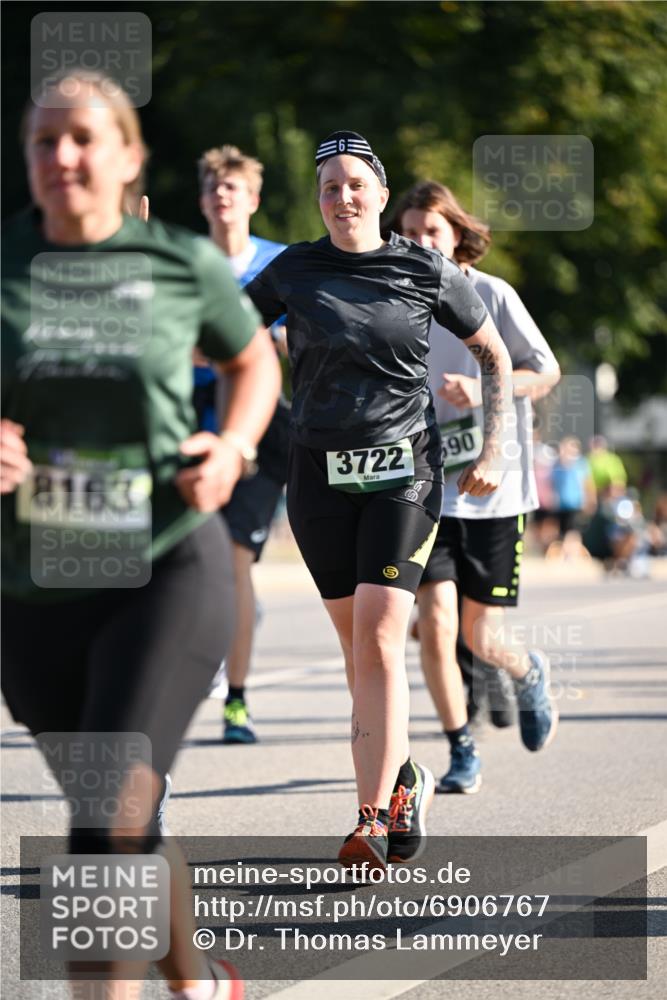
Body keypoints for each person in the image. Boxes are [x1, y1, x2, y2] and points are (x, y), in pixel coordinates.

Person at [1, 71, 280, 1000]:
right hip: (32, 578)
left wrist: (233, 447)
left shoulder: (179, 263)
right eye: (43, 140)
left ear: (128, 157)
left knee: (104, 819)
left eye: (83, 137)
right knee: (121, 813)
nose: (62, 156)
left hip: (165, 563)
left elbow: (252, 361)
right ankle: (198, 982)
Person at [243, 131, 514, 870]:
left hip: (405, 472)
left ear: (381, 195)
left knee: (380, 639)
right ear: (318, 199)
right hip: (317, 475)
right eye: (329, 187)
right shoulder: (293, 269)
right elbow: (218, 340)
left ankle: (371, 820)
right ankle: (405, 776)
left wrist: (493, 448)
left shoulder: (422, 268)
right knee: (358, 650)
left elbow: (493, 355)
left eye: (355, 184)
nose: (343, 198)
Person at [391, 180, 561, 794]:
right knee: (435, 624)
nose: (421, 243)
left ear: (456, 235)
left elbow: (546, 371)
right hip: (427, 486)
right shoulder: (395, 302)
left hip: (494, 488)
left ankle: (527, 670)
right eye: (409, 233)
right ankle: (461, 747)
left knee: (479, 634)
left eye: (432, 232)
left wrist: (484, 389)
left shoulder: (491, 294)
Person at [196, 144, 290, 744]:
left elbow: (295, 342)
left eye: (232, 187)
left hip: (260, 429)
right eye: (213, 188)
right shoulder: (187, 261)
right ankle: (224, 621)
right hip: (193, 423)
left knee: (233, 561)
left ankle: (236, 701)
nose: (221, 196)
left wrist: (255, 346)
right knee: (192, 561)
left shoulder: (280, 263)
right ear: (202, 200)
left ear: (253, 199)